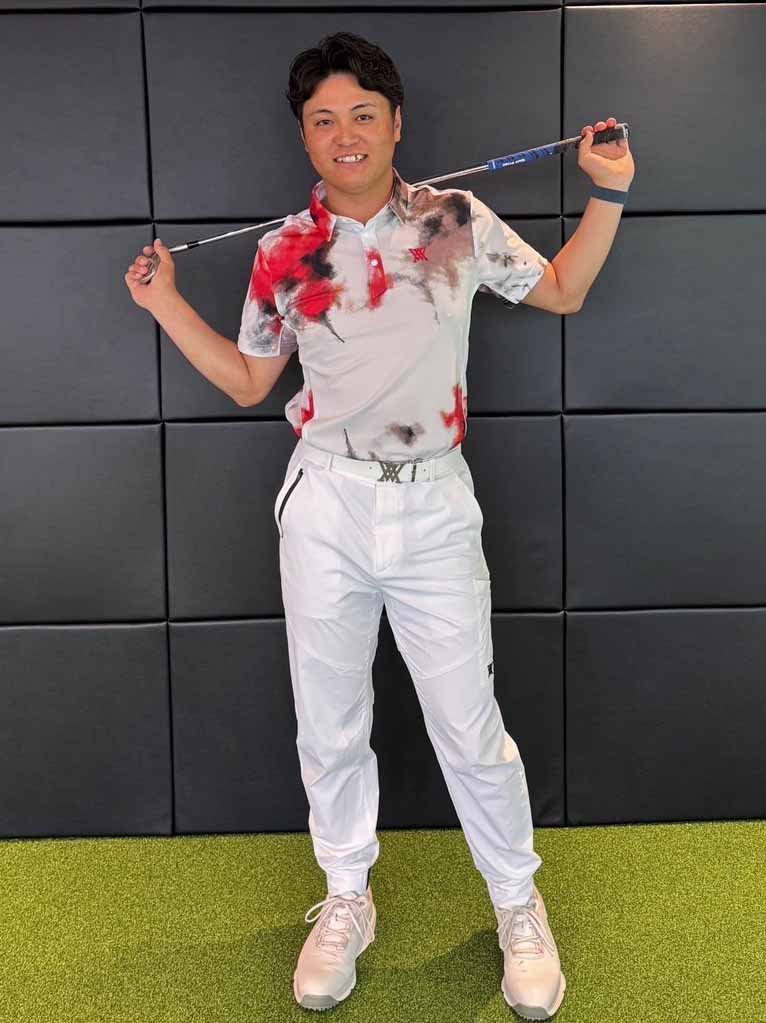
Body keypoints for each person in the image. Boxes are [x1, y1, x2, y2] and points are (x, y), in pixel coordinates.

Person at [125, 30, 631, 1022]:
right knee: (329, 721)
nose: (344, 133)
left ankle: (517, 905)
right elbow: (250, 381)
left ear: (396, 123)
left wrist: (607, 191)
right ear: (304, 137)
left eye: (363, 113)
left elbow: (564, 290)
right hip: (325, 502)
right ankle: (346, 897)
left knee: (469, 725)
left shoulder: (454, 218)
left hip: (434, 502)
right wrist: (163, 304)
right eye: (324, 119)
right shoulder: (281, 250)